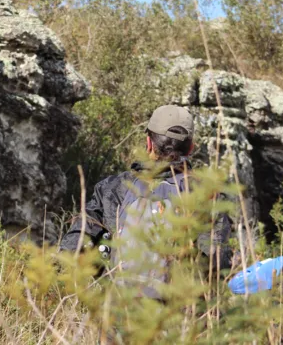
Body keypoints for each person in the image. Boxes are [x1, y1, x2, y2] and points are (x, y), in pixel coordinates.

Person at [59, 104, 233, 290]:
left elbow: (73, 249)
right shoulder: (208, 195)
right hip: (180, 312)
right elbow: (217, 264)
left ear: (149, 143)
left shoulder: (112, 188)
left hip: (117, 309)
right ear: (191, 148)